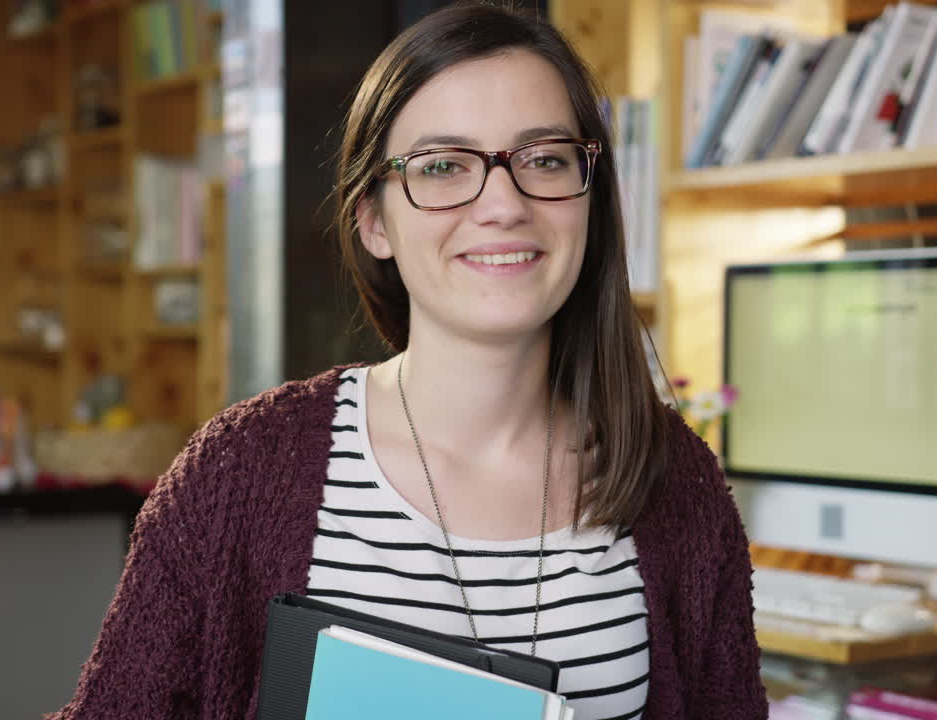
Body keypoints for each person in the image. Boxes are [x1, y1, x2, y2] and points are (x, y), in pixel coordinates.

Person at [49, 3, 766, 719]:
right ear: (373, 220)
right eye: (444, 166)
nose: (503, 204)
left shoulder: (679, 484)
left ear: (591, 197)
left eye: (544, 159)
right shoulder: (237, 472)